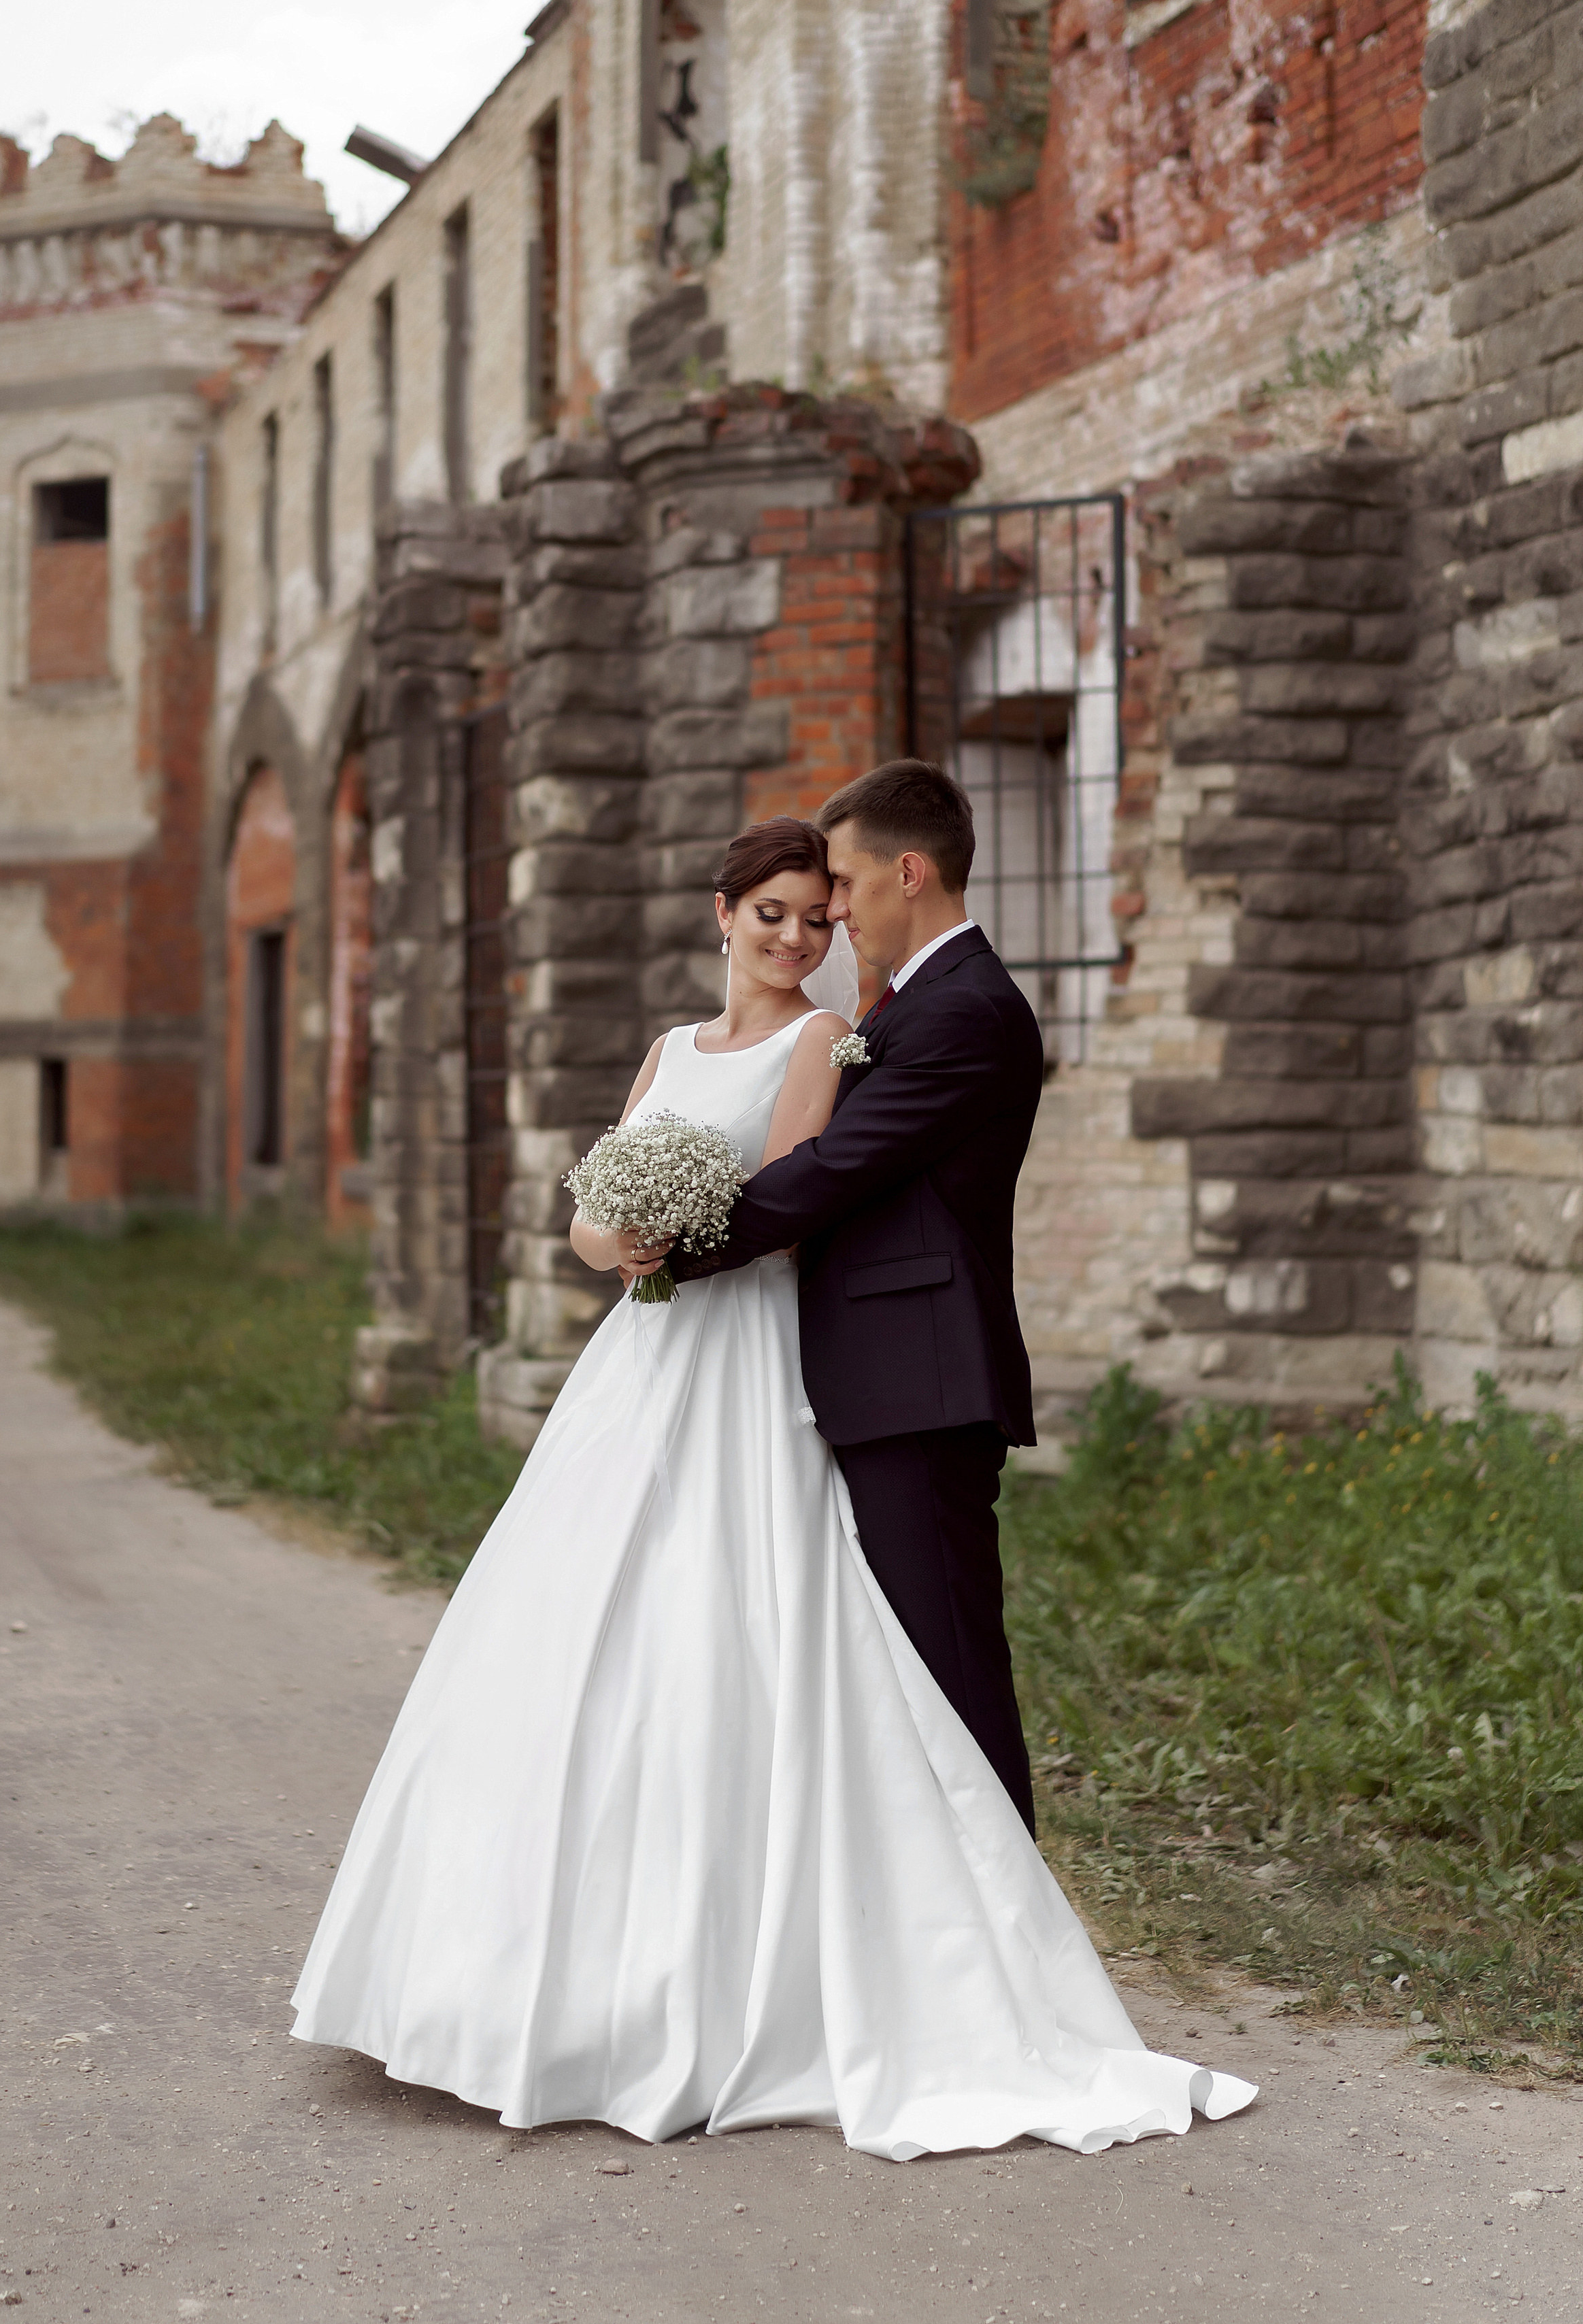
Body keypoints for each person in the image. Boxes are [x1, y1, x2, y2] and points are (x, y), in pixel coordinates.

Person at [290, 812, 1254, 2159]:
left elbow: (787, 1195)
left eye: (818, 914)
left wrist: (676, 1240)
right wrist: (606, 1240)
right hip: (636, 1362)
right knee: (573, 1639)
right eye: (774, 916)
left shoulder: (822, 1043)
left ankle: (772, 1975)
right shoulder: (665, 1050)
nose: (799, 937)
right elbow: (589, 1208)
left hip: (738, 1354)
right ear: (721, 914)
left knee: (733, 1627)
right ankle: (507, 1983)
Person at [650, 758, 1044, 1837]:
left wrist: (669, 1251)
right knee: (894, 1676)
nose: (832, 917)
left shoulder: (965, 1011)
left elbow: (830, 1171)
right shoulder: (916, 1004)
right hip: (877, 1376)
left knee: (947, 1667)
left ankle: (1012, 1947)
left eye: (845, 890)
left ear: (907, 873)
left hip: (920, 1382)